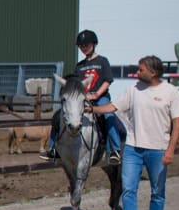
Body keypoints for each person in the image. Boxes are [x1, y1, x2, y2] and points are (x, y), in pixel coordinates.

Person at [92, 55, 179, 210]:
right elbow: (113, 106)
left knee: (157, 191)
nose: (137, 72)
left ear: (154, 72)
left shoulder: (171, 92)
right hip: (133, 148)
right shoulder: (133, 90)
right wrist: (90, 109)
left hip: (158, 149)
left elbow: (178, 123)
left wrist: (171, 150)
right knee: (128, 189)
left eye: (141, 69)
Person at [41, 30, 123, 164]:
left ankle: (114, 150)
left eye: (86, 45)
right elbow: (75, 86)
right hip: (82, 99)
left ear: (94, 44)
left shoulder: (102, 61)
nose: (84, 48)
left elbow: (107, 80)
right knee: (58, 116)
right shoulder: (79, 66)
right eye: (81, 46)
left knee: (109, 116)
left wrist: (96, 94)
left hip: (100, 98)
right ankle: (53, 148)